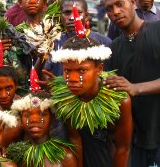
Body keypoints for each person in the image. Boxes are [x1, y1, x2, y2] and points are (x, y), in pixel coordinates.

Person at [51, 35, 132, 167]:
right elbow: (74, 139)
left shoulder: (120, 100)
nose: (72, 78)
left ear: (99, 69)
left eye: (81, 70)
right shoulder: (64, 98)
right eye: (67, 71)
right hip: (83, 156)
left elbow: (123, 148)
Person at [102, 0, 160, 167]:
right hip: (134, 142)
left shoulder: (157, 30)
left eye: (120, 4)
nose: (116, 12)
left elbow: (131, 89)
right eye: (109, 9)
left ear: (132, 3)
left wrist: (136, 88)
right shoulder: (113, 49)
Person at [45, 0, 112, 76]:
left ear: (86, 16)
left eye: (78, 13)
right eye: (67, 13)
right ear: (60, 16)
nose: (72, 17)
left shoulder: (104, 42)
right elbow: (45, 73)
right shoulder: (53, 43)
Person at [7, 91, 77, 167]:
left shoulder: (65, 157)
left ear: (52, 119)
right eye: (27, 115)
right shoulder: (16, 155)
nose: (34, 120)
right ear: (20, 120)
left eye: (43, 114)